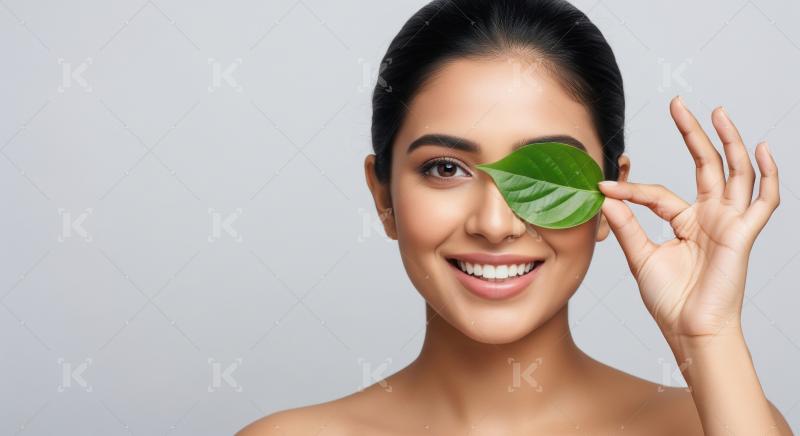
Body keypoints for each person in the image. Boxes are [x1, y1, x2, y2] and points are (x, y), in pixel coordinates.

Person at [238, 0, 791, 434]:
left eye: (547, 172)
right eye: (446, 168)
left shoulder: (713, 426)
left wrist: (709, 336)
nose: (496, 224)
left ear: (611, 195)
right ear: (382, 196)